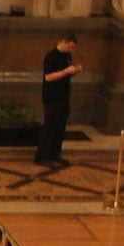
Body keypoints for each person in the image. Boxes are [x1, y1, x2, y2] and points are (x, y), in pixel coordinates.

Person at [35, 32, 82, 170]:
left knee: (60, 128)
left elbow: (66, 74)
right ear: (63, 42)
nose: (71, 50)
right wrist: (66, 71)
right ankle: (42, 156)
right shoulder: (51, 57)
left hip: (64, 97)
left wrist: (74, 71)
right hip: (52, 97)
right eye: (70, 47)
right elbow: (49, 77)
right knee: (49, 127)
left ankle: (55, 153)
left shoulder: (67, 56)